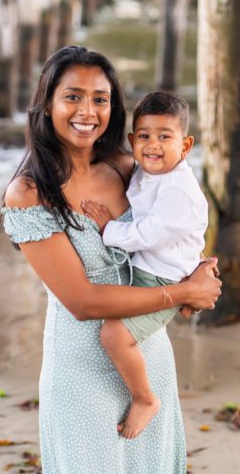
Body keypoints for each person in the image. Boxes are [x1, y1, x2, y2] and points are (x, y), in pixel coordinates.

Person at [1, 46, 221, 474]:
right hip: (82, 360)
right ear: (47, 102)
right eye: (73, 96)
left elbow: (179, 224)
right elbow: (81, 299)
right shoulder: (30, 192)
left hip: (145, 348)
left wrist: (201, 271)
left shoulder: (127, 165)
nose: (87, 111)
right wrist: (180, 294)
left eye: (100, 98)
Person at [81, 91, 208, 440]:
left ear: (185, 146)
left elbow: (148, 234)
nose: (153, 145)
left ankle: (144, 399)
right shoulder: (145, 170)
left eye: (165, 137)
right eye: (145, 137)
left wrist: (109, 229)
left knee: (114, 335)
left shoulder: (178, 190)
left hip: (161, 277)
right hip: (152, 269)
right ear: (132, 140)